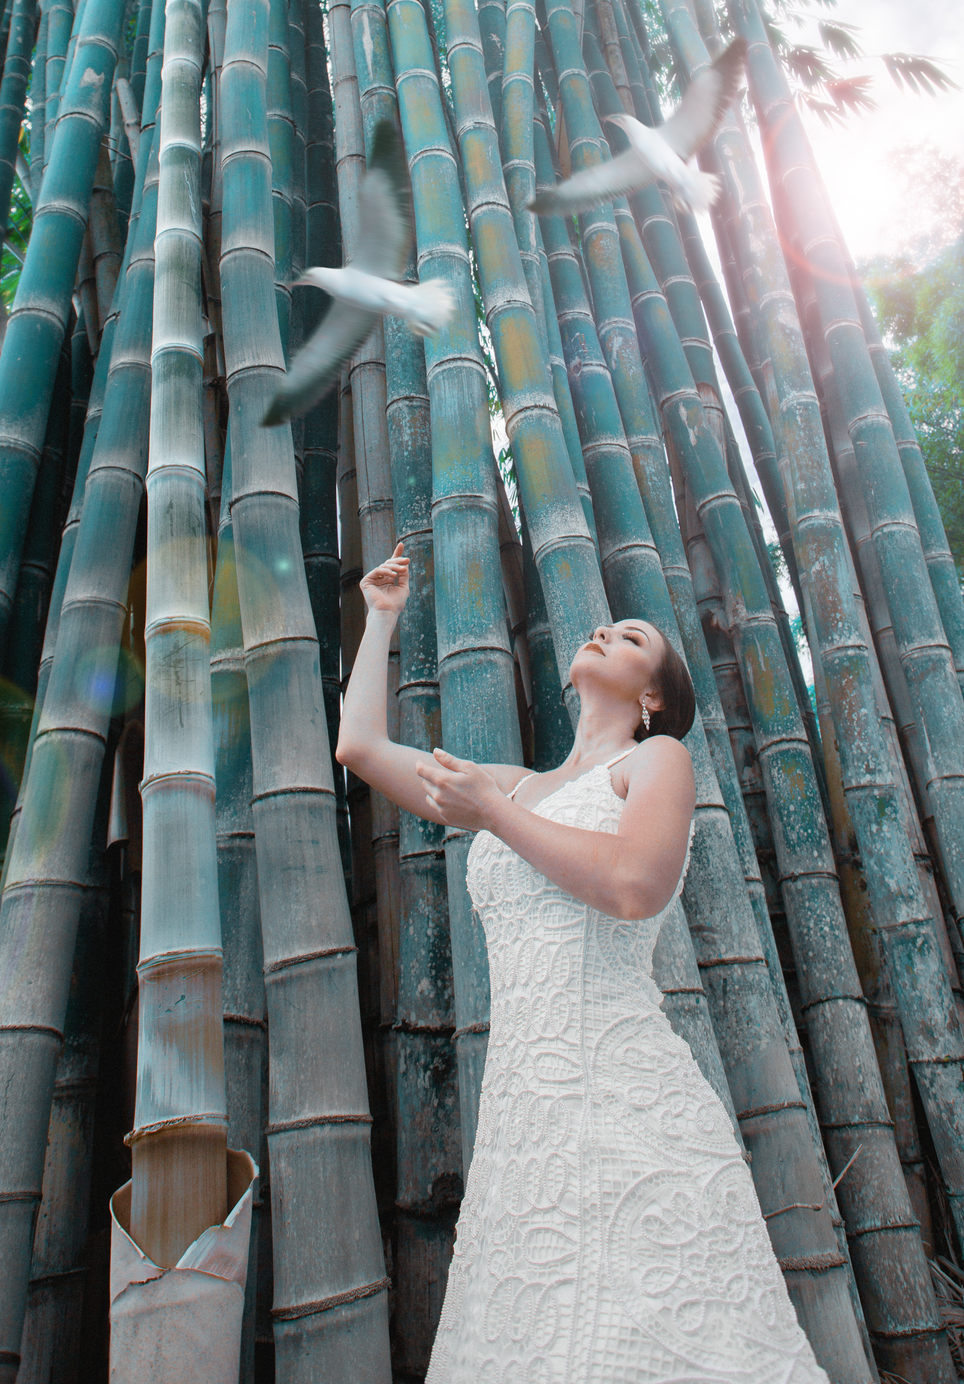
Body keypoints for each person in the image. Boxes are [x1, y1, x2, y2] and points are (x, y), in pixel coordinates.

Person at [337, 543, 828, 1383]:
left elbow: (636, 886)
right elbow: (361, 747)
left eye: (631, 636)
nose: (603, 627)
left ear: (652, 697)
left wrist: (492, 812)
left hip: (624, 1089)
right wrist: (381, 618)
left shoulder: (655, 760)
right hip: (525, 1111)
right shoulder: (520, 786)